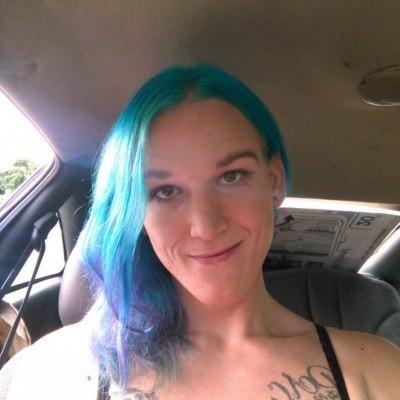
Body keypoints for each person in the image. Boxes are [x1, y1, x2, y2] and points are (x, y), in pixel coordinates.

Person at [1, 65, 400, 400]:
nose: (205, 227)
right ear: (136, 213)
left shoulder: (377, 372)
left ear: (274, 180)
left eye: (232, 176)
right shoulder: (51, 374)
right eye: (165, 191)